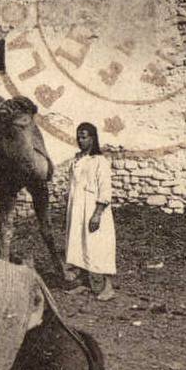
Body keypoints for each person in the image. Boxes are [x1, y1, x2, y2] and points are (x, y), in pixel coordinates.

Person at [64, 122, 116, 301]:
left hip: (93, 208)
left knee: (99, 245)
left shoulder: (99, 161)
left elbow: (105, 189)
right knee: (79, 243)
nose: (80, 140)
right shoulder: (77, 159)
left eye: (84, 136)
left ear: (92, 139)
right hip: (78, 209)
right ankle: (84, 283)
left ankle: (107, 287)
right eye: (78, 136)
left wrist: (97, 213)